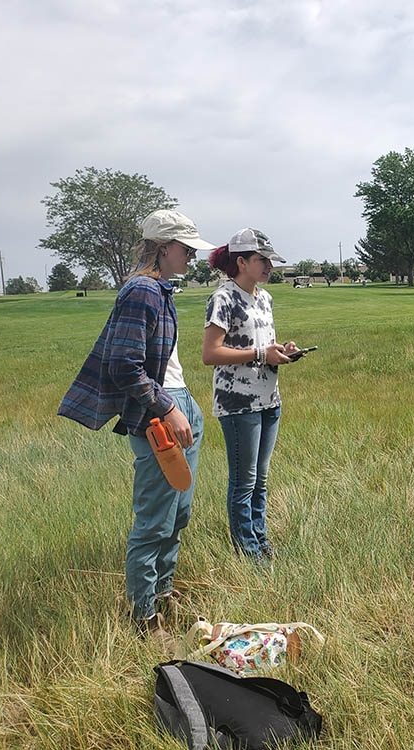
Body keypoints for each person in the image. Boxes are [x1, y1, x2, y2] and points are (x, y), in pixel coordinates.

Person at [58, 209, 215, 645]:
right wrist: (168, 408)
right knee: (154, 522)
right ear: (163, 247)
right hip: (158, 416)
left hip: (179, 406)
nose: (192, 257)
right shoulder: (142, 291)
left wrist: (184, 406)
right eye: (186, 249)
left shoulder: (160, 289)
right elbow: (123, 365)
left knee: (177, 515)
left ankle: (164, 596)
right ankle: (145, 619)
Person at [202, 228, 298, 564]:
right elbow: (210, 353)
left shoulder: (264, 298)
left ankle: (261, 540)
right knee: (244, 482)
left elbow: (258, 345)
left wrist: (281, 350)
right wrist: (260, 354)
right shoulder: (223, 298)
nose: (269, 265)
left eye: (270, 260)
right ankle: (249, 554)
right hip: (238, 402)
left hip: (269, 399)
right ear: (241, 261)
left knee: (261, 480)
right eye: (262, 260)